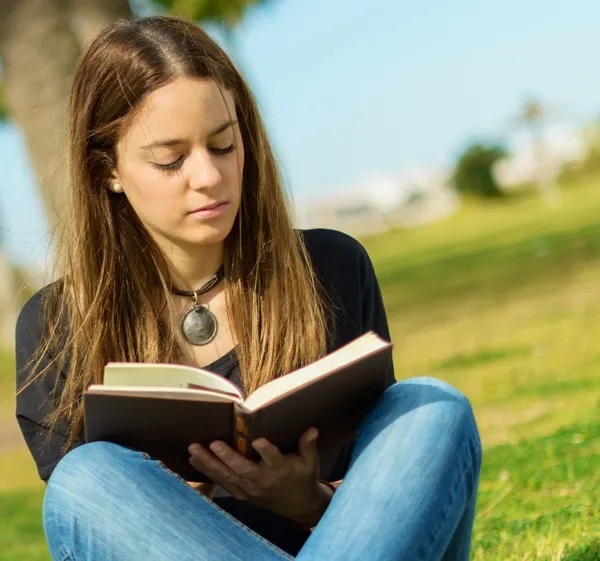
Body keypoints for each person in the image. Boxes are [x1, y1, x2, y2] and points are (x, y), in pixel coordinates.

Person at [15, 15, 482, 561]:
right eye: (171, 160)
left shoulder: (330, 267)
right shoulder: (57, 326)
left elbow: (390, 502)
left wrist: (303, 500)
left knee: (429, 407)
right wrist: (171, 500)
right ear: (106, 172)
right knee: (87, 479)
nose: (208, 177)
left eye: (222, 145)